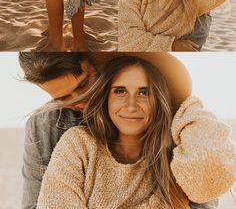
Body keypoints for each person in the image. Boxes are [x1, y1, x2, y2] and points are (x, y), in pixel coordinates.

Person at [36, 55, 235, 208]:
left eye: (144, 92)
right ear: (106, 96)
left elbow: (210, 178)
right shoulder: (78, 144)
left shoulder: (175, 155)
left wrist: (189, 109)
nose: (131, 105)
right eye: (120, 91)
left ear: (159, 98)